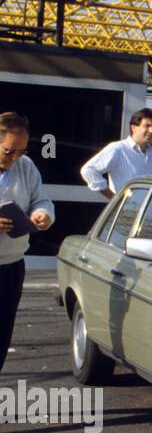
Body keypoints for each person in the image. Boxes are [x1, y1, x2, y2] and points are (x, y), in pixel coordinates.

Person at [0, 112, 55, 373]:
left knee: (1, 335)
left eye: (21, 152)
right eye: (9, 151)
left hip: (11, 265)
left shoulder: (26, 166)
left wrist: (43, 214)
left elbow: (42, 200)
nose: (14, 159)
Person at [80, 107, 152, 198]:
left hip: (148, 211)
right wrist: (114, 199)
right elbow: (88, 170)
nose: (151, 131)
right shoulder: (118, 149)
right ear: (134, 127)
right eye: (147, 126)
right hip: (126, 211)